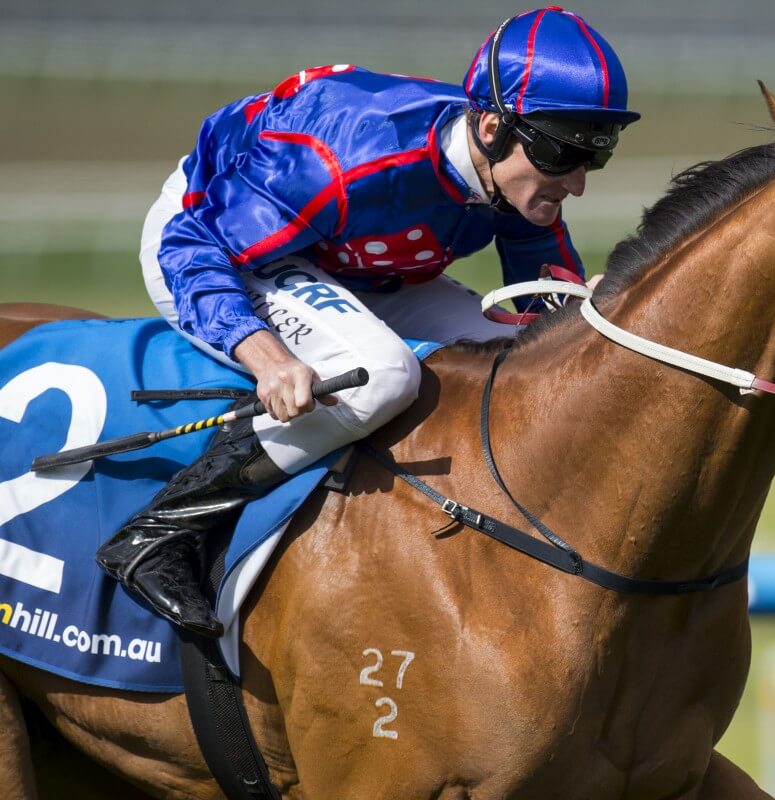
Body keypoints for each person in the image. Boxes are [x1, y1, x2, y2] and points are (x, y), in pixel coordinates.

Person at [94, 7, 640, 638]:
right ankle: (160, 532)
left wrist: (579, 317)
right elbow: (194, 246)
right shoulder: (347, 166)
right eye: (563, 154)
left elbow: (547, 298)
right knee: (383, 375)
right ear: (490, 127)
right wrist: (266, 356)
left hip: (353, 258)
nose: (576, 184)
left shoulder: (511, 172)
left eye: (592, 159)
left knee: (522, 361)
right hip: (214, 242)